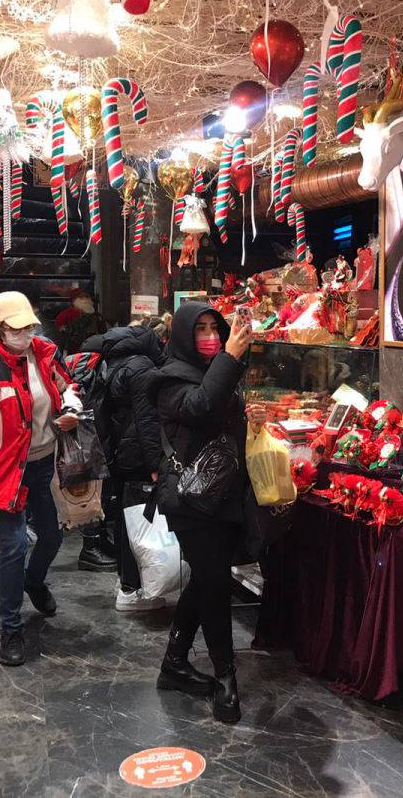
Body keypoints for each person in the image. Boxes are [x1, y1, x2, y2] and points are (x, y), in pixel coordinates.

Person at [0, 291, 81, 666]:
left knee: (53, 535)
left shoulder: (44, 354)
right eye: (16, 329)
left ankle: (34, 582)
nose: (25, 334)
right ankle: (10, 628)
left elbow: (67, 386)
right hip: (9, 470)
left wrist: (69, 409)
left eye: (29, 327)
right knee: (12, 547)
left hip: (44, 462)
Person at [153, 301, 253, 724]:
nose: (210, 336)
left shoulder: (220, 371)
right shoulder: (168, 378)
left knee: (208, 576)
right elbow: (200, 406)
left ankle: (175, 661)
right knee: (214, 584)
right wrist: (230, 357)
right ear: (182, 335)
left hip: (226, 494)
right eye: (201, 329)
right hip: (192, 501)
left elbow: (224, 418)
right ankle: (225, 675)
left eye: (216, 327)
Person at [79, 315, 167, 610]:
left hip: (118, 449)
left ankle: (127, 584)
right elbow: (146, 420)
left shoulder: (115, 360)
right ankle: (132, 590)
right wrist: (155, 463)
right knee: (137, 520)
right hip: (136, 454)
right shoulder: (142, 367)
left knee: (125, 518)